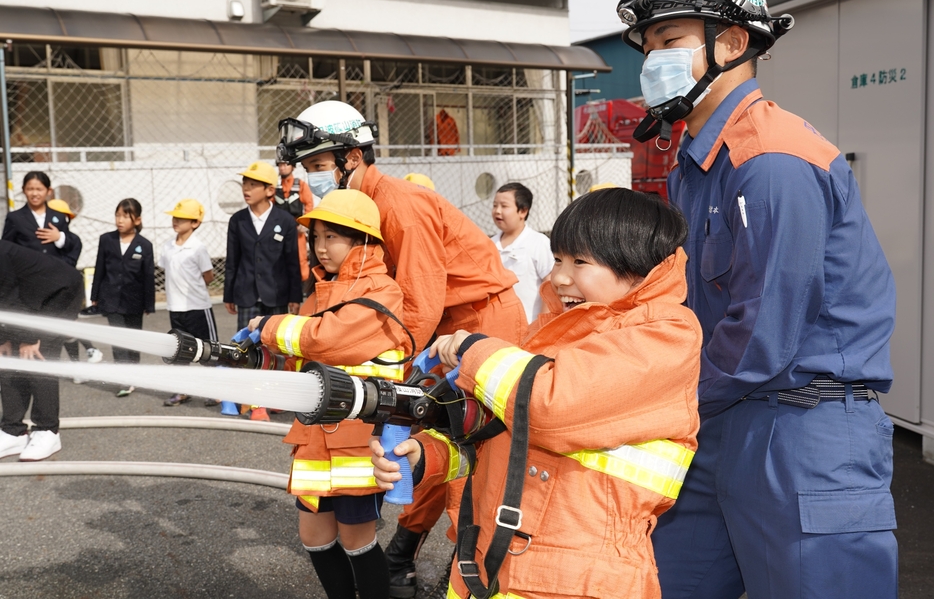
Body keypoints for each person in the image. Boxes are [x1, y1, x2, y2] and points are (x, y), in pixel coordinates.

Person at [614, 0, 898, 597]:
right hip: (720, 419)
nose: (653, 60)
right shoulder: (696, 162)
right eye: (648, 46)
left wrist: (644, 398)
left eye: (670, 40)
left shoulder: (771, 162)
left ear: (733, 41)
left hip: (803, 431)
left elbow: (761, 334)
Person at [372, 188, 703, 599]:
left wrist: (476, 350)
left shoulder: (666, 335)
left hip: (578, 581)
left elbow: (548, 406)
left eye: (580, 262)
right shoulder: (556, 331)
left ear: (639, 269)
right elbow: (499, 437)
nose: (560, 276)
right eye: (559, 259)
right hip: (491, 565)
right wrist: (428, 458)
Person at [277, 100, 529, 598]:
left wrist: (390, 375)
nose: (312, 177)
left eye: (319, 166)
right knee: (420, 445)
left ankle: (466, 567)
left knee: (467, 447)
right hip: (442, 326)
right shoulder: (361, 208)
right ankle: (403, 554)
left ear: (352, 157)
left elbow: (416, 302)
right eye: (306, 168)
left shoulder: (398, 204)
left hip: (477, 322)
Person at [246, 188, 407, 599]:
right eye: (314, 238)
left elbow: (328, 339)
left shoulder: (382, 290)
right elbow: (304, 354)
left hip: (357, 439)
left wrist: (268, 325)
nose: (320, 248)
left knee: (358, 542)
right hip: (316, 436)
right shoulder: (323, 290)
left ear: (364, 241)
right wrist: (261, 352)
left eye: (331, 237)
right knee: (314, 536)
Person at [224, 161, 302, 420]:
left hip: (277, 295)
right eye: (245, 184)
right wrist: (229, 294)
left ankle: (274, 397)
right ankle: (253, 402)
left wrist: (295, 296)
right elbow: (232, 259)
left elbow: (292, 262)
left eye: (253, 184)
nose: (246, 189)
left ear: (270, 190)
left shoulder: (285, 221)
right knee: (247, 348)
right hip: (246, 293)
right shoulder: (237, 221)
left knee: (276, 348)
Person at [0, 241, 84, 461]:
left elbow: (8, 298)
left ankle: (47, 430)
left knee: (39, 357)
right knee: (8, 362)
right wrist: (3, 339)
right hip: (30, 300)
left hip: (61, 294)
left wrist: (27, 338)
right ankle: (12, 430)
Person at [89, 198, 156, 397]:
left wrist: (149, 303)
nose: (120, 220)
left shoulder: (144, 245)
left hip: (134, 301)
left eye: (125, 216)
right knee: (118, 338)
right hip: (111, 299)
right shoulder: (106, 240)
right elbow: (99, 268)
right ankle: (123, 379)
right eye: (117, 215)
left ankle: (133, 375)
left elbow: (148, 276)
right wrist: (94, 295)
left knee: (133, 339)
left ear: (137, 220)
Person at [161, 199, 220, 407]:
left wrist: (193, 288)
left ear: (195, 222)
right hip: (175, 308)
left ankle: (216, 391)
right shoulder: (167, 246)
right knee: (180, 352)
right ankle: (182, 391)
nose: (176, 221)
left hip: (198, 307)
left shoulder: (198, 247)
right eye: (175, 217)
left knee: (208, 350)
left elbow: (208, 276)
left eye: (182, 218)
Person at [47, 198, 105, 367]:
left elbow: (68, 263)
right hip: (47, 290)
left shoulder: (72, 240)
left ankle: (89, 351)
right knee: (64, 328)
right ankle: (84, 357)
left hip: (66, 289)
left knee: (66, 325)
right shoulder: (40, 240)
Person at [491, 182, 553, 322]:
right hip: (498, 328)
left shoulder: (539, 242)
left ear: (523, 211)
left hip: (530, 327)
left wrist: (542, 323)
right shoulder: (489, 245)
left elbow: (550, 284)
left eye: (504, 206)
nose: (497, 211)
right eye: (495, 205)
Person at [2, 171, 72, 262]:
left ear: (49, 191)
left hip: (54, 272)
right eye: (30, 189)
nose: (34, 193)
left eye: (39, 189)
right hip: (26, 273)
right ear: (23, 190)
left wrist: (59, 237)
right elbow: (6, 248)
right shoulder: (15, 218)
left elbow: (71, 246)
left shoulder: (59, 217)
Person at [273, 159, 315, 283]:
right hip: (279, 230)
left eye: (285, 164)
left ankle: (303, 283)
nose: (282, 168)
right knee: (278, 254)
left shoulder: (301, 185)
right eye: (280, 165)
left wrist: (305, 224)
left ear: (293, 167)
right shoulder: (274, 186)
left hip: (297, 229)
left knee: (300, 255)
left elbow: (309, 204)